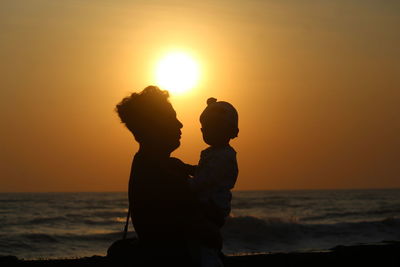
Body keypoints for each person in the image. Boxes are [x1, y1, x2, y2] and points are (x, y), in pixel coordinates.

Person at [115, 86, 222, 267]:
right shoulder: (158, 172)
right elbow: (198, 228)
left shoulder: (154, 164)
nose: (180, 124)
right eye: (172, 118)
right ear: (154, 126)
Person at [188, 97, 239, 228]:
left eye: (216, 128)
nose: (209, 131)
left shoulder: (223, 156)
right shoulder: (214, 153)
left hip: (212, 207)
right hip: (208, 205)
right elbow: (205, 172)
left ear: (230, 131)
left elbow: (204, 180)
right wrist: (189, 170)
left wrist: (183, 182)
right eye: (206, 127)